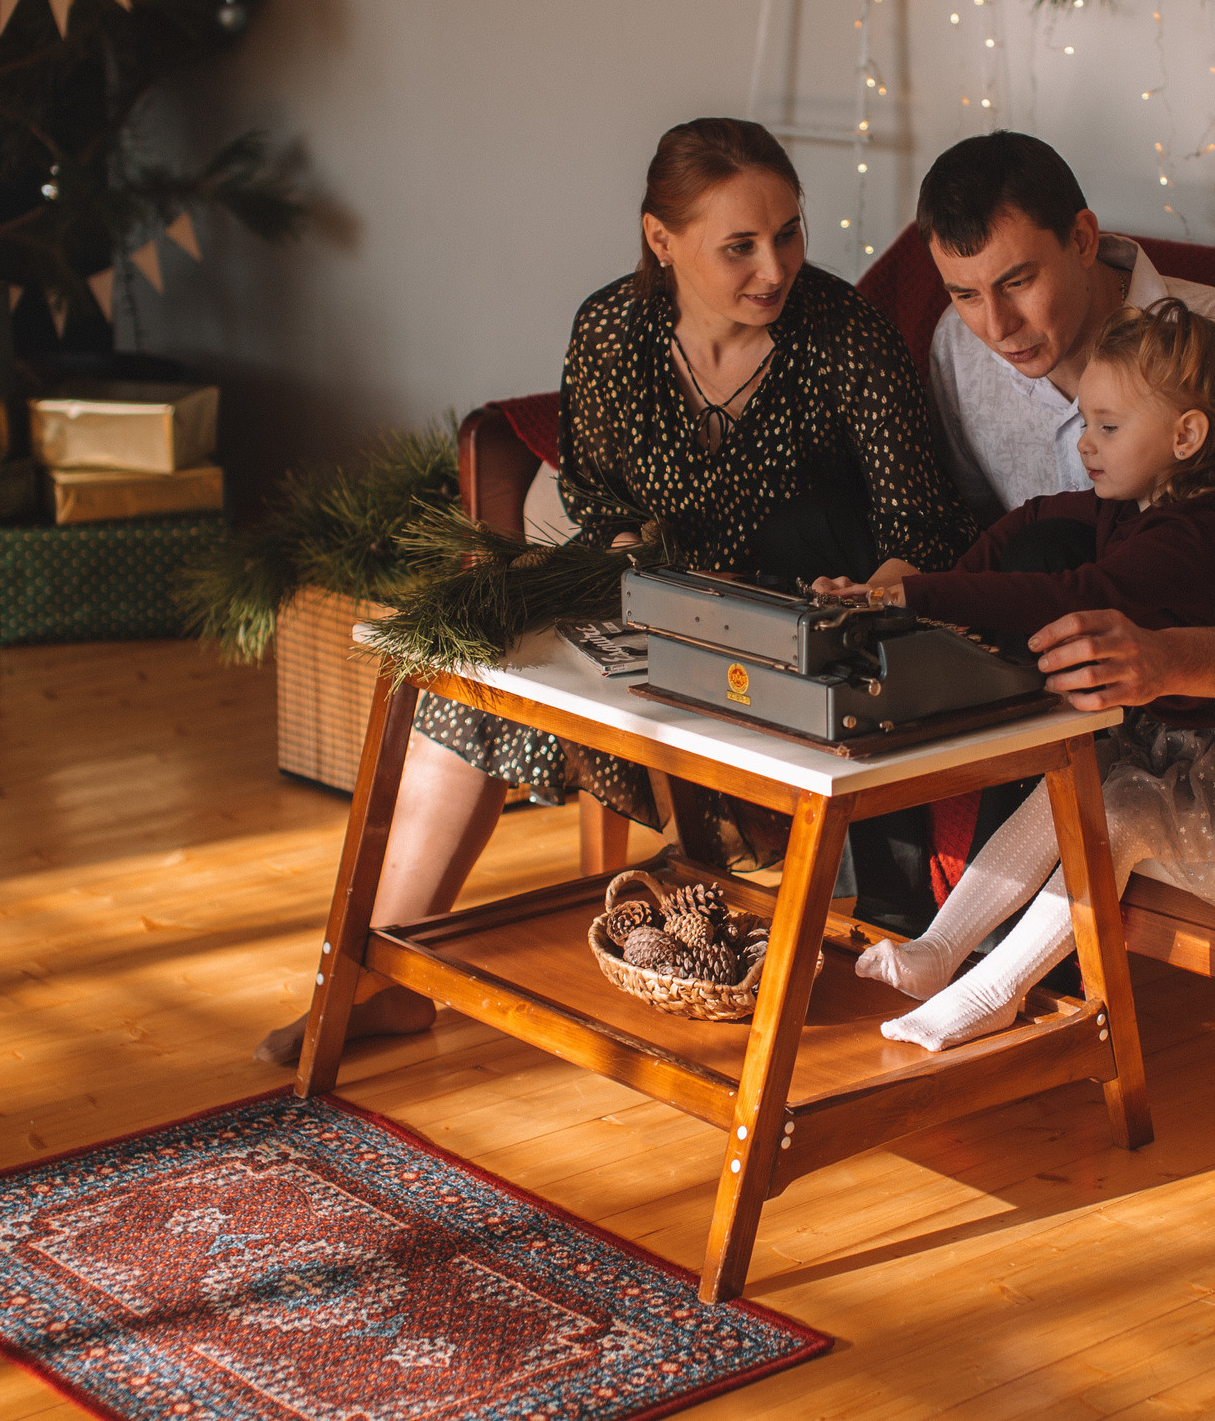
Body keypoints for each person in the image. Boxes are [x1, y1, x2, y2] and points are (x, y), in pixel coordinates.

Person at [255, 118, 972, 1065]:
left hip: (813, 645)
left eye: (789, 233)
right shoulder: (612, 330)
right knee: (476, 691)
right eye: (740, 246)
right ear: (661, 239)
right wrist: (632, 551)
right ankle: (382, 977)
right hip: (665, 621)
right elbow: (592, 486)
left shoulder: (845, 336)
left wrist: (840, 610)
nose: (775, 267)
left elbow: (924, 532)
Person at [824, 300, 1215, 1049]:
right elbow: (1027, 522)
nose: (1086, 445)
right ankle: (942, 947)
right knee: (1065, 782)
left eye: (1108, 426)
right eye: (1086, 423)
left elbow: (1065, 597)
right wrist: (926, 588)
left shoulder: (1188, 540)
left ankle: (1001, 990)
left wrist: (917, 592)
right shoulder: (1127, 507)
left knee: (1117, 814)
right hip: (1184, 740)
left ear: (1186, 436)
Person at [906, 131, 1215, 708]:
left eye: (1018, 283)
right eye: (965, 294)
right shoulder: (958, 346)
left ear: (1082, 239)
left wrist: (1172, 662)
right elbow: (985, 533)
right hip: (1054, 681)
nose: (997, 327)